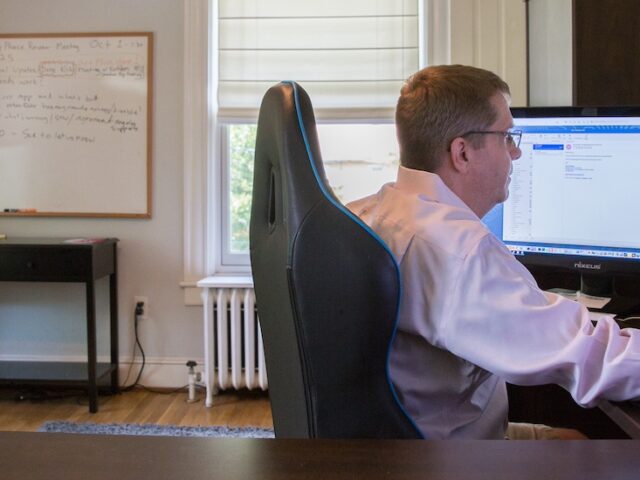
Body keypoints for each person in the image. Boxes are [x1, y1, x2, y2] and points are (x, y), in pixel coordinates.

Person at [347, 64, 640, 440]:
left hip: (404, 439)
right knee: (593, 451)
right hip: (445, 456)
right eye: (507, 137)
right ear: (462, 153)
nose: (516, 153)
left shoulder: (369, 212)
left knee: (570, 438)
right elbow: (588, 360)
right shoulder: (457, 251)